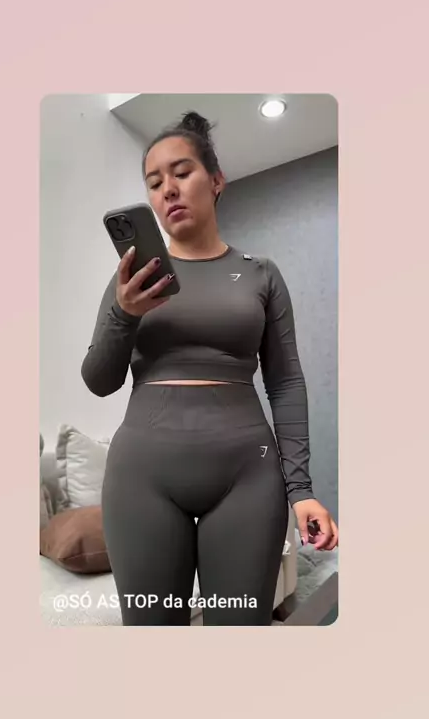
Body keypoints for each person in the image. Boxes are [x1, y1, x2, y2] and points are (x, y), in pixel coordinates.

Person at [81, 111, 338, 626]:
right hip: (142, 478)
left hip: (247, 477)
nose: (168, 190)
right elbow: (99, 380)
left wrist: (302, 490)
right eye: (155, 182)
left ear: (217, 180)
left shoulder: (261, 274)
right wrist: (124, 313)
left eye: (182, 173)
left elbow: (286, 381)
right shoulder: (131, 280)